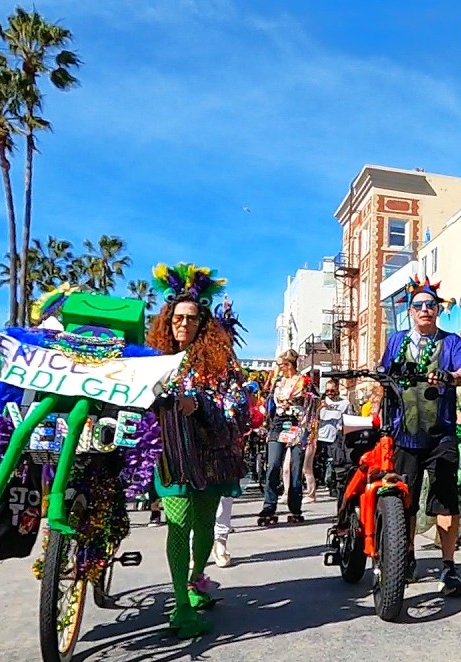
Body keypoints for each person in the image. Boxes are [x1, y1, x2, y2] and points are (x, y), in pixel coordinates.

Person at [148, 262, 250, 638]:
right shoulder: (152, 360)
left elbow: (238, 409)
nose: (183, 324)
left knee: (205, 523)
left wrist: (202, 407)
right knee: (178, 523)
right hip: (172, 455)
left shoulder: (222, 364)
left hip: (213, 456)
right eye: (177, 318)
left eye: (191, 319)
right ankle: (179, 604)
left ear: (202, 323)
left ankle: (195, 581)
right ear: (167, 319)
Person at [378, 276, 461, 596]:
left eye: (430, 305)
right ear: (410, 311)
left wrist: (450, 375)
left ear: (438, 310)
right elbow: (382, 373)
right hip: (404, 434)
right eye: (418, 305)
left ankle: (448, 569)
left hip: (441, 435)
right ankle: (403, 558)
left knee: (447, 501)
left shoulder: (451, 342)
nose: (424, 310)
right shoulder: (396, 341)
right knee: (402, 503)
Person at [259, 349, 311, 523]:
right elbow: (269, 401)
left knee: (296, 467)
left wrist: (309, 426)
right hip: (279, 422)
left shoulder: (304, 381)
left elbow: (314, 402)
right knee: (273, 464)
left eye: (281, 364)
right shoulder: (279, 382)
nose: (279, 368)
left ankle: (295, 506)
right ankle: (269, 505)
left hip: (297, 422)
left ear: (289, 364)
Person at [315, 378, 351, 494]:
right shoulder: (320, 401)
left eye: (332, 390)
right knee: (317, 461)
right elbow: (312, 417)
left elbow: (349, 418)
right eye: (327, 391)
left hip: (335, 436)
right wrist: (320, 407)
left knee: (335, 461)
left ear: (337, 390)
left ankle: (333, 485)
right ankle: (316, 483)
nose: (329, 393)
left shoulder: (344, 403)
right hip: (320, 435)